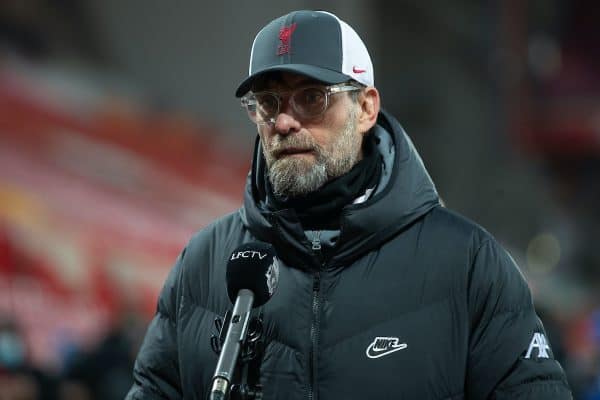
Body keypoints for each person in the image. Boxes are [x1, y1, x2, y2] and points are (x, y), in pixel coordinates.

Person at [126, 10, 572, 399]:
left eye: (311, 98)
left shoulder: (468, 265)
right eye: (267, 103)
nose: (283, 121)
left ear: (366, 108)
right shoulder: (204, 264)